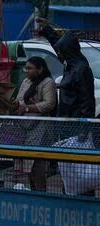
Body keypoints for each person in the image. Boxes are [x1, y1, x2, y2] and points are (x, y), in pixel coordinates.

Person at [13, 56, 57, 191]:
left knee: (37, 165)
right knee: (26, 165)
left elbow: (50, 104)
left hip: (40, 128)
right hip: (24, 127)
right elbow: (19, 100)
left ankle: (40, 194)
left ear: (40, 69)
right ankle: (33, 192)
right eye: (26, 68)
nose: (26, 71)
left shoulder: (47, 82)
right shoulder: (26, 81)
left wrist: (28, 108)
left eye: (30, 68)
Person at [37, 19, 95, 119]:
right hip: (66, 119)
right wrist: (47, 29)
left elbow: (87, 101)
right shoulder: (70, 63)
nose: (58, 53)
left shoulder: (81, 69)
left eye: (61, 51)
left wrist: (85, 127)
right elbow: (59, 45)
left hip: (75, 122)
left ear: (67, 51)